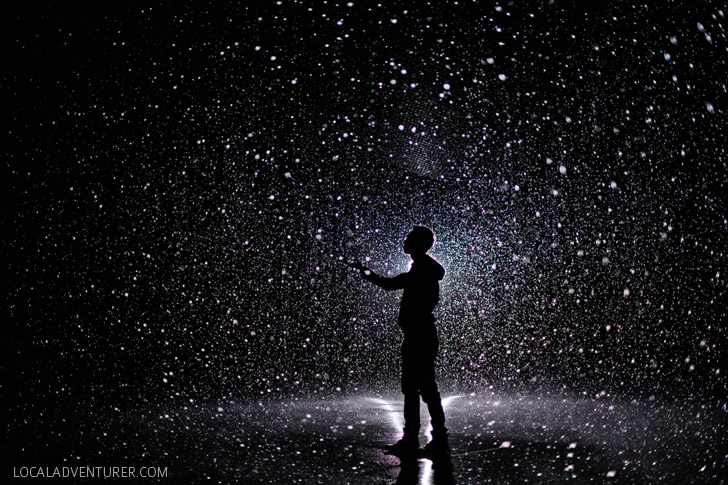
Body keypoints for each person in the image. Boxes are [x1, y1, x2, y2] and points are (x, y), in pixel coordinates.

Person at [352, 225, 448, 456]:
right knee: (420, 388)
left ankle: (422, 440)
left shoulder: (421, 270)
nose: (404, 241)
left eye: (408, 238)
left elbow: (390, 284)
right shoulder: (423, 268)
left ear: (417, 244)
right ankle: (431, 439)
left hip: (418, 336)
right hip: (419, 335)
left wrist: (366, 273)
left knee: (419, 388)